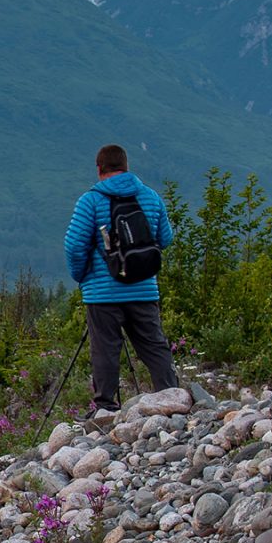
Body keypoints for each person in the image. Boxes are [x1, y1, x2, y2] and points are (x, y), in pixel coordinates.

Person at [63, 143, 179, 409]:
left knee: (105, 350)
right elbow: (165, 238)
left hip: (103, 293)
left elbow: (74, 245)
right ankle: (173, 397)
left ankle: (106, 407)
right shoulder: (150, 197)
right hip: (144, 289)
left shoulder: (90, 201)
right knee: (153, 345)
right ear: (126, 166)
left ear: (99, 168)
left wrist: (82, 276)